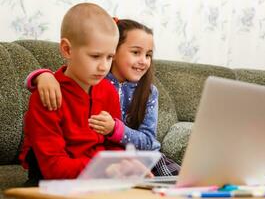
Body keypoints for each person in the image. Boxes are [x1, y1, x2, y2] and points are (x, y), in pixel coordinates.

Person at [25, 19, 180, 176]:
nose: (103, 66)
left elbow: (147, 142)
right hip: (91, 167)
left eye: (148, 55)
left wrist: (116, 130)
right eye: (135, 52)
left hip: (136, 156)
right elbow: (66, 78)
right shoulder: (95, 80)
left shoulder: (144, 91)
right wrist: (42, 76)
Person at [19, 3, 124, 185]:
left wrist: (123, 166)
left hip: (96, 177)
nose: (104, 66)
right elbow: (53, 168)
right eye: (95, 56)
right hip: (51, 182)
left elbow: (114, 145)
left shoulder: (108, 91)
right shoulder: (47, 95)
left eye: (110, 57)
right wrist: (103, 169)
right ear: (67, 50)